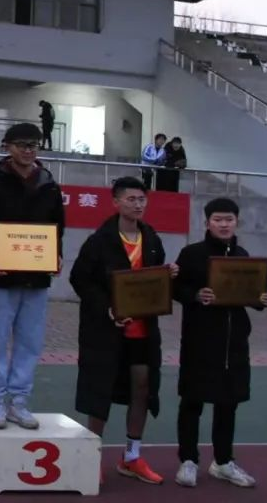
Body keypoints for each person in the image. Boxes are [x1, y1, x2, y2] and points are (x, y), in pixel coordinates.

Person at [69, 176, 177, 486]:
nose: (138, 205)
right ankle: (92, 456)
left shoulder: (152, 239)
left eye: (142, 199)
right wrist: (107, 309)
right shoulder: (99, 241)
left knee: (142, 388)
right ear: (116, 202)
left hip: (143, 330)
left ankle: (132, 456)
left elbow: (153, 280)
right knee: (99, 391)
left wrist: (168, 275)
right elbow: (80, 279)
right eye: (131, 199)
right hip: (106, 332)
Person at [172, 198, 267, 489]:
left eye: (229, 219)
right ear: (207, 223)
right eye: (218, 219)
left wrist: (260, 300)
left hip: (234, 343)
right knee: (192, 401)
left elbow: (248, 294)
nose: (224, 224)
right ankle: (188, 461)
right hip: (199, 341)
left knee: (228, 404)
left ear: (237, 222)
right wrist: (195, 295)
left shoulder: (243, 256)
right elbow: (175, 287)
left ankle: (223, 462)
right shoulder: (191, 254)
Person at [0, 123, 65, 429]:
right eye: (22, 145)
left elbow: (57, 226)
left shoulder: (49, 184)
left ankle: (19, 400)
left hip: (37, 275)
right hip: (0, 273)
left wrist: (56, 254)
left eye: (33, 145)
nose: (28, 150)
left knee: (30, 341)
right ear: (7, 146)